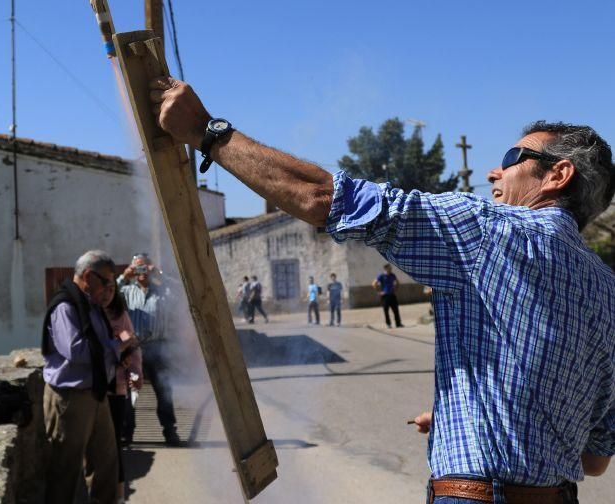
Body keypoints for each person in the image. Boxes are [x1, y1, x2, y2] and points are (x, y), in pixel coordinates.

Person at [149, 77, 614, 502]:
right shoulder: (608, 290)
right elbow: (594, 460)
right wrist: (479, 414)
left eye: (513, 159)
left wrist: (208, 133)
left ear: (558, 175)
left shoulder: (490, 232)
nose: (494, 172)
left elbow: (327, 199)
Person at [41, 250, 128, 504]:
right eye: (106, 282)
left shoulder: (91, 306)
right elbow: (76, 350)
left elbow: (99, 344)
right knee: (65, 470)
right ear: (89, 276)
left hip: (94, 394)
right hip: (70, 398)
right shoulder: (66, 306)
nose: (109, 289)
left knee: (106, 463)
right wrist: (116, 348)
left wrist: (115, 351)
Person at [118, 253, 181, 446]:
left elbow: (181, 291)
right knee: (130, 391)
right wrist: (123, 276)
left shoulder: (163, 291)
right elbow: (108, 294)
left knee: (163, 390)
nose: (141, 272)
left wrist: (160, 274)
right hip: (134, 348)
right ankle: (126, 433)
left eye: (144, 267)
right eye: (137, 268)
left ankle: (169, 430)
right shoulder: (127, 291)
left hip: (159, 347)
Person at [102, 289, 143, 504]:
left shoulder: (120, 315)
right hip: (91, 390)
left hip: (115, 388)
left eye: (108, 286)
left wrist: (135, 373)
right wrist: (117, 346)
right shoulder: (85, 313)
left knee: (114, 443)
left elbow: (130, 341)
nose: (104, 292)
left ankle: (118, 496)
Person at [376, 263, 403, 329]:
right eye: (389, 268)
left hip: (392, 295)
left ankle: (398, 323)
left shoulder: (392, 275)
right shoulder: (381, 276)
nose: (391, 269)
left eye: (391, 268)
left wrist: (395, 289)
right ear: (386, 269)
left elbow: (397, 282)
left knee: (396, 310)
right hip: (385, 296)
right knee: (386, 311)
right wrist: (379, 292)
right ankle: (388, 324)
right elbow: (374, 283)